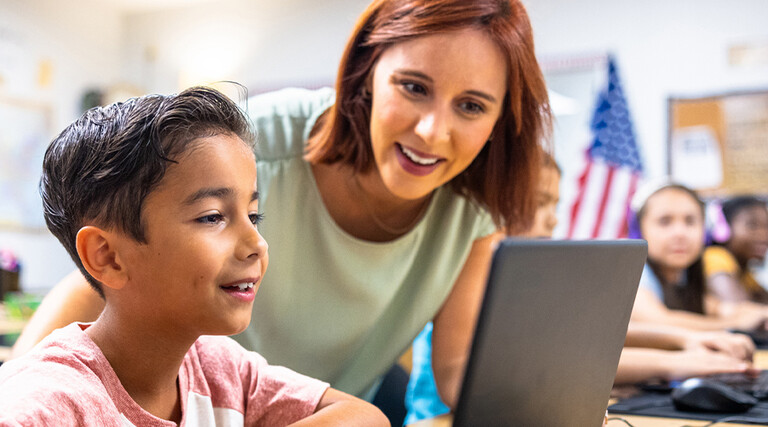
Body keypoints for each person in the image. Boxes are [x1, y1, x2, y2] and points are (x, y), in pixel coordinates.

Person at [10, 0, 551, 416]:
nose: (433, 131)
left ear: (502, 118)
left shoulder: (476, 207)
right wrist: (18, 387)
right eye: (413, 87)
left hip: (303, 410)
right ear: (366, 72)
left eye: (472, 106)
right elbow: (105, 282)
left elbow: (455, 372)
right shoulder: (247, 145)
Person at [0, 87, 387, 425]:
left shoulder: (218, 368)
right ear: (109, 257)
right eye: (212, 217)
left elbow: (364, 417)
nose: (258, 244)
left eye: (254, 216)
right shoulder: (51, 399)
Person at [404, 152, 560, 424]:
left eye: (555, 204)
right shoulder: (463, 281)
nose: (553, 219)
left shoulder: (526, 285)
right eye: (539, 203)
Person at [629, 180, 768, 331]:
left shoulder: (684, 276)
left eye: (690, 221)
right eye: (665, 222)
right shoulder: (631, 271)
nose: (680, 233)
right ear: (639, 230)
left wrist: (754, 314)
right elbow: (658, 323)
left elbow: (721, 308)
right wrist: (736, 323)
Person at [704, 196, 768, 304]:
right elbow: (742, 310)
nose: (764, 235)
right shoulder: (715, 257)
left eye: (767, 226)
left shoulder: (744, 269)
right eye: (752, 225)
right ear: (724, 229)